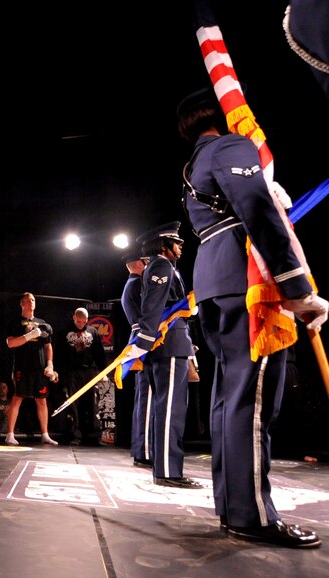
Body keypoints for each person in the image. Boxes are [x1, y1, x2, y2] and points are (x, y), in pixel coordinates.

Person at [178, 87, 328, 547]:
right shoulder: (231, 146)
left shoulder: (193, 165)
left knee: (231, 401)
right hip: (248, 282)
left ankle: (236, 508)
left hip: (213, 280)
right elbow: (258, 210)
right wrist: (297, 288)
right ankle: (254, 516)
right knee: (254, 402)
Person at [124, 222, 201, 489]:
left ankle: (166, 466)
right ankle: (168, 471)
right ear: (163, 244)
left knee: (168, 409)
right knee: (169, 410)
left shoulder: (164, 267)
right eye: (176, 242)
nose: (180, 246)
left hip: (174, 342)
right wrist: (145, 341)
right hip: (168, 345)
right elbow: (153, 306)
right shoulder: (161, 266)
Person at [5, 292, 59, 446]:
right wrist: (28, 336)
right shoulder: (15, 322)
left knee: (42, 400)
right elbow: (10, 343)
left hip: (40, 368)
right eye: (28, 300)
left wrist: (50, 364)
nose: (32, 303)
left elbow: (48, 346)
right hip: (23, 366)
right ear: (22, 304)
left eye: (33, 300)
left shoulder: (44, 324)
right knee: (17, 398)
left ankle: (45, 434)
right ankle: (10, 434)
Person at [120, 251, 152, 468]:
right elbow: (149, 314)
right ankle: (144, 450)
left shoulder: (130, 284)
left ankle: (143, 448)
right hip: (145, 339)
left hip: (140, 337)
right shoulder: (137, 285)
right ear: (140, 264)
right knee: (147, 397)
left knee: (144, 396)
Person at [58, 307, 106, 445]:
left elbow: (100, 354)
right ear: (74, 318)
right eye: (78, 321)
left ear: (87, 320)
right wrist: (58, 371)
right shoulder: (64, 332)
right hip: (72, 371)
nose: (80, 324)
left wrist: (103, 372)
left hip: (90, 371)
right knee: (73, 403)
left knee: (93, 404)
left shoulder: (93, 332)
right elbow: (59, 354)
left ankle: (94, 436)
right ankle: (75, 435)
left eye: (83, 322)